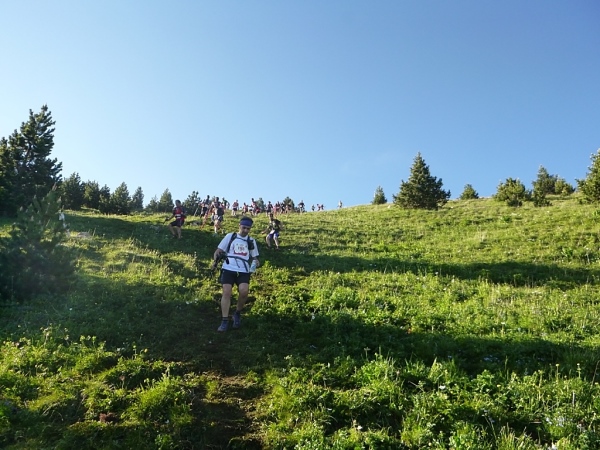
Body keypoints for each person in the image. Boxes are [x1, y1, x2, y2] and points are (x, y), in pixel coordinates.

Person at [213, 216, 260, 332]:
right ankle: (224, 320)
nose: (245, 230)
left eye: (248, 229)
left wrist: (256, 262)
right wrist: (215, 262)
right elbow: (218, 251)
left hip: (244, 270)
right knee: (226, 292)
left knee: (244, 292)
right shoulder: (231, 236)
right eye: (244, 227)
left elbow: (254, 257)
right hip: (228, 267)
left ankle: (237, 313)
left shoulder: (251, 241)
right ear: (239, 226)